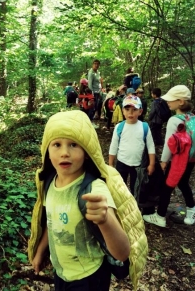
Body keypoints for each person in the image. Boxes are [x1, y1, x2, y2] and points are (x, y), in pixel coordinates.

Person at [28, 110, 148, 291]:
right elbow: (52, 224)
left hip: (90, 278)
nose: (64, 153)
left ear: (87, 151)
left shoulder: (95, 189)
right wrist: (39, 252)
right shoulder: (49, 184)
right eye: (57, 144)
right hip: (61, 273)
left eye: (74, 144)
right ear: (46, 150)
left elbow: (122, 253)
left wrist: (105, 219)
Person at [143, 85, 195, 227]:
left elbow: (169, 144)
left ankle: (160, 216)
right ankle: (192, 208)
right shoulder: (193, 117)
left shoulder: (174, 120)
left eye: (170, 100)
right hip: (191, 159)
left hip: (178, 161)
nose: (167, 102)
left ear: (180, 101)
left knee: (166, 186)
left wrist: (163, 162)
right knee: (182, 183)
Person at [109, 95, 155, 194]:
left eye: (134, 109)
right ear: (123, 111)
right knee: (121, 187)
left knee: (136, 188)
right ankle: (123, 206)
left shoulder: (144, 127)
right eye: (127, 109)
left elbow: (151, 146)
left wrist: (151, 164)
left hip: (138, 164)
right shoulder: (119, 127)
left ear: (140, 111)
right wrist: (111, 164)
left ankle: (135, 206)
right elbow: (113, 146)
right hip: (122, 162)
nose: (130, 112)